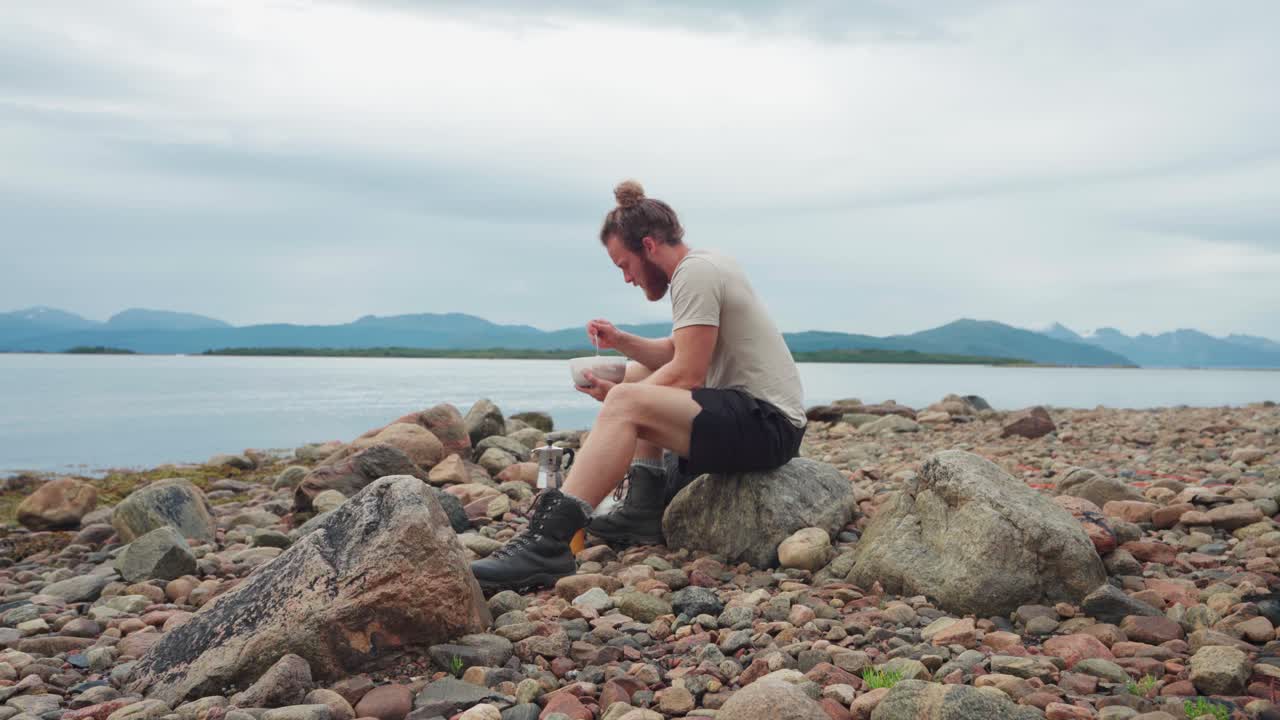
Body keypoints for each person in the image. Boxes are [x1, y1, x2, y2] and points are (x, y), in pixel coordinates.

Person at [471, 180, 806, 593]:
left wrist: (619, 403)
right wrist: (620, 342)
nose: (627, 278)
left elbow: (687, 374)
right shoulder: (705, 264)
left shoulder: (695, 273)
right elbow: (675, 351)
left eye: (623, 265)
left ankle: (547, 543)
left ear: (648, 245)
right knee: (634, 375)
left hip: (768, 424)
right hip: (755, 417)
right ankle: (643, 508)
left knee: (628, 398)